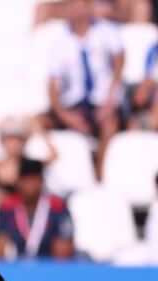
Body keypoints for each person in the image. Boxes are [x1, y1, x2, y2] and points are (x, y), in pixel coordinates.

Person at [43, 0, 123, 177]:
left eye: (80, 4)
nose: (76, 9)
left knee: (110, 122)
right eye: (72, 5)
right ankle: (53, 173)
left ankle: (100, 173)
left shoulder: (106, 33)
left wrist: (109, 100)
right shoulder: (60, 44)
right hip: (74, 105)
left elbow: (119, 64)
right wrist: (65, 115)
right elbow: (52, 87)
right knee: (35, 121)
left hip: (102, 102)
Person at [0, 117, 58, 243]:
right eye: (10, 139)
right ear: (2, 142)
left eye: (18, 140)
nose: (14, 144)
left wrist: (39, 132)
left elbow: (54, 156)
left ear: (25, 143)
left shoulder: (29, 165)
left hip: (17, 207)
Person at [0, 159, 75, 260]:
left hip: (49, 267)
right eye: (25, 180)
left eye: (33, 179)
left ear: (41, 181)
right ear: (18, 182)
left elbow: (63, 253)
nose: (29, 185)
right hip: (17, 267)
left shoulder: (57, 207)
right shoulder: (7, 208)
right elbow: (0, 249)